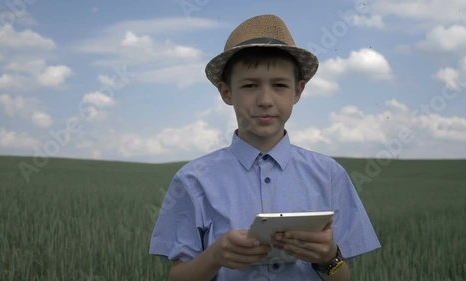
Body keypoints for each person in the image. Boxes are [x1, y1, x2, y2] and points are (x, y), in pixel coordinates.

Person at [149, 14, 380, 280]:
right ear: (226, 92)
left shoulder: (330, 175)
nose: (265, 100)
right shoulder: (193, 180)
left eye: (279, 85)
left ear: (298, 91)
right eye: (250, 85)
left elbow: (344, 277)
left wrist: (330, 258)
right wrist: (213, 256)